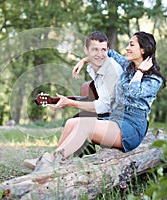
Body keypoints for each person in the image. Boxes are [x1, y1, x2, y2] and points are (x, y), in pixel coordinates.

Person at [32, 31, 167, 172]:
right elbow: (108, 53)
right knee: (72, 122)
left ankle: (50, 165)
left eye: (131, 44)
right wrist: (84, 60)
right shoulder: (129, 66)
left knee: (85, 126)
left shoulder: (153, 79)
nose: (127, 48)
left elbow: (132, 92)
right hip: (115, 118)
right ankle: (54, 160)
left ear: (143, 49)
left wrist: (140, 72)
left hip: (131, 127)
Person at [24, 31, 122, 170]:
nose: (100, 54)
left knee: (81, 122)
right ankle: (55, 164)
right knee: (71, 122)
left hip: (117, 119)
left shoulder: (110, 70)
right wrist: (84, 60)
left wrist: (70, 103)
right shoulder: (98, 67)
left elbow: (104, 107)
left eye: (103, 50)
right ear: (86, 50)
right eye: (95, 49)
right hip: (108, 114)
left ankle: (51, 162)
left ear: (108, 50)